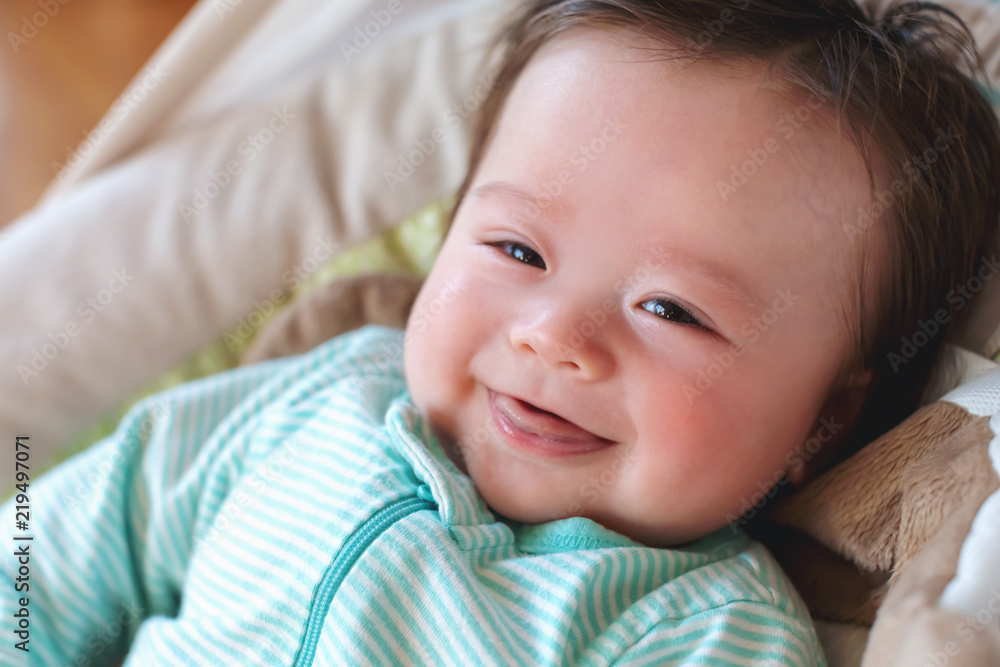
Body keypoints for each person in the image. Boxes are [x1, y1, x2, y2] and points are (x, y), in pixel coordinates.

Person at [3, 0, 998, 665]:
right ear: (444, 239)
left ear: (823, 422)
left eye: (674, 310)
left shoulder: (698, 626)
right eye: (517, 252)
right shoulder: (320, 398)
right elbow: (61, 549)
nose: (554, 335)